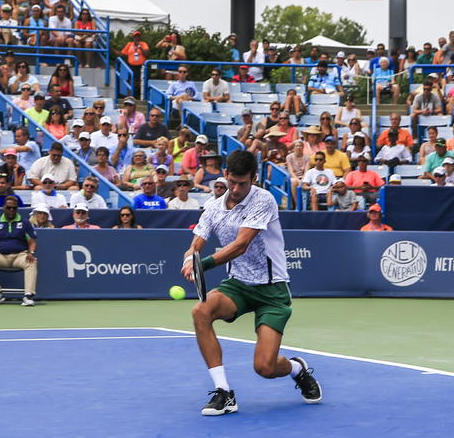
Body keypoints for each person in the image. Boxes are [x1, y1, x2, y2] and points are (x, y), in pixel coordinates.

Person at [181, 150, 321, 416]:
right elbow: (198, 241)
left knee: (265, 368)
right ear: (225, 175)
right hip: (238, 286)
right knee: (200, 311)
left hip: (272, 290)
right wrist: (190, 257)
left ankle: (296, 369)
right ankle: (224, 392)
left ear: (254, 178)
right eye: (232, 182)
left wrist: (204, 264)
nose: (235, 189)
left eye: (242, 183)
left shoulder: (264, 200)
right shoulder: (213, 207)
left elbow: (241, 245)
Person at [0, 195, 37, 306]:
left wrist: (31, 253)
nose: (11, 210)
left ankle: (28, 295)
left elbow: (32, 242)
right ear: (3, 207)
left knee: (32, 261)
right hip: (0, 256)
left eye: (14, 208)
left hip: (20, 256)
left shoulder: (25, 223)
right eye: (9, 207)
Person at [120, 30, 150, 98]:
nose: (137, 38)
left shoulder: (143, 44)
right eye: (135, 36)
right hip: (132, 66)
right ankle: (129, 97)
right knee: (131, 81)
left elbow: (147, 54)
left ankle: (140, 97)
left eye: (138, 36)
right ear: (133, 38)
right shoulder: (129, 44)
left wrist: (140, 47)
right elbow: (122, 53)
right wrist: (112, 50)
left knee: (140, 82)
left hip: (141, 66)